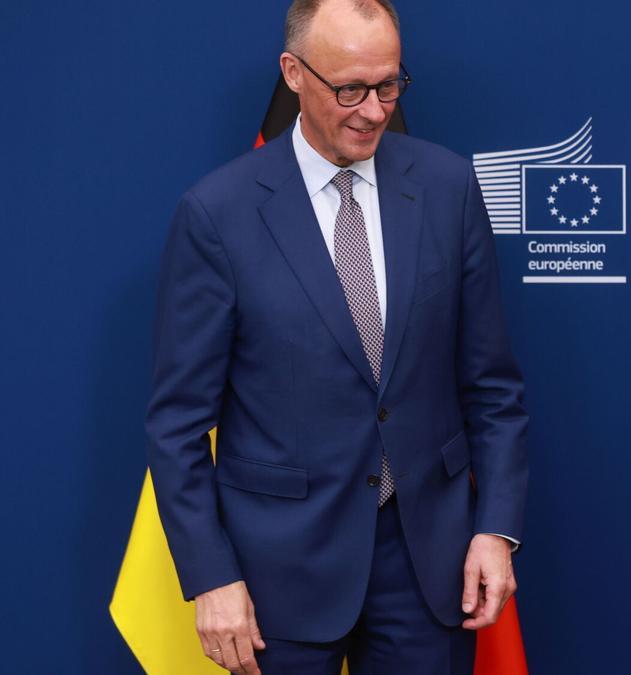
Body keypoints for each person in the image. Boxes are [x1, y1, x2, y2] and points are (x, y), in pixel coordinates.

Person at [145, 1, 527, 673]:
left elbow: (492, 388)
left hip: (427, 567)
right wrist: (209, 575)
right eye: (350, 89)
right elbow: (178, 422)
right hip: (277, 575)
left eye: (389, 85)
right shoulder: (218, 214)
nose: (375, 110)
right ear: (294, 73)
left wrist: (494, 528)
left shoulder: (448, 188)